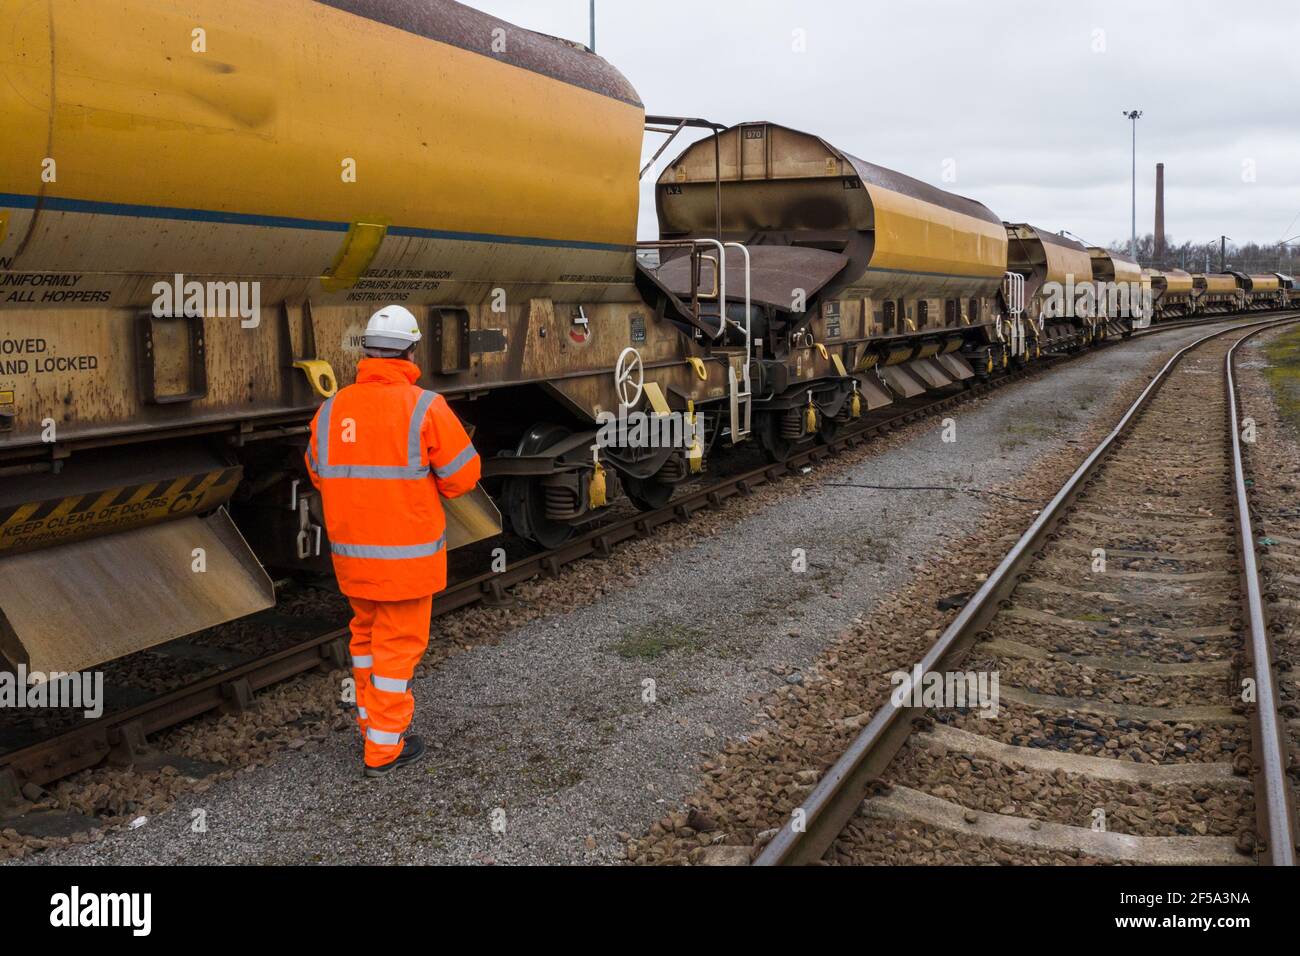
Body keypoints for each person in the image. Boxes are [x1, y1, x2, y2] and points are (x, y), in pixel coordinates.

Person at [305, 305, 480, 777]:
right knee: (397, 649)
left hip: (353, 559)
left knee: (364, 639)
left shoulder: (331, 408)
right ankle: (384, 748)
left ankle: (372, 726)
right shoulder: (425, 406)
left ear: (365, 352)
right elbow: (464, 477)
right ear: (410, 351)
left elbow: (319, 473)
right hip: (406, 561)